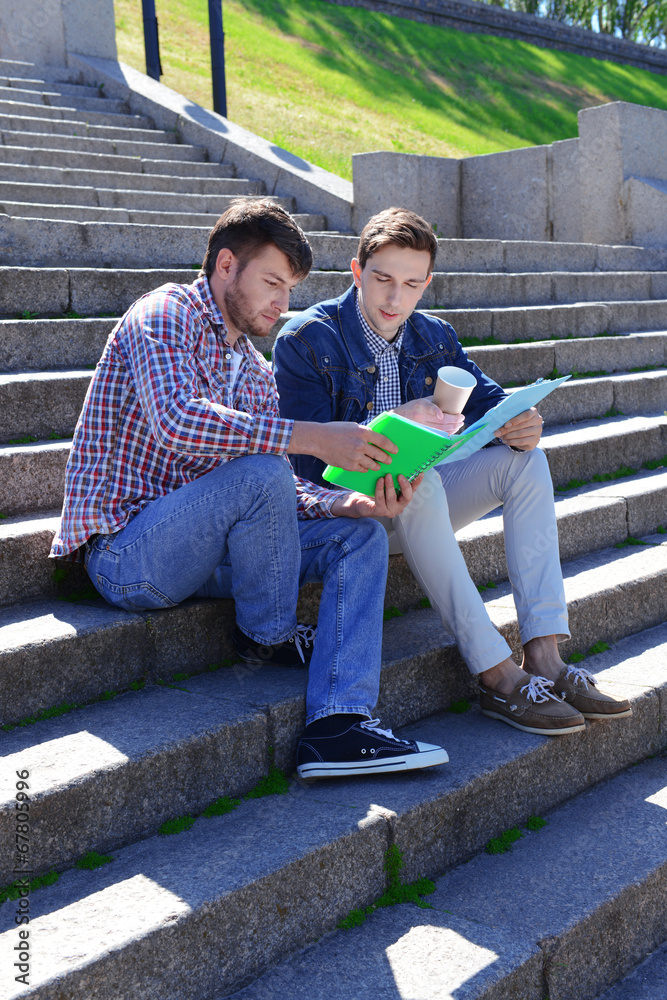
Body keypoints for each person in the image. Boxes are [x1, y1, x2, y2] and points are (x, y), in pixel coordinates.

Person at [49, 199, 448, 779]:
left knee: (356, 537)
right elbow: (178, 420)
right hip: (127, 553)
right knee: (261, 469)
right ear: (226, 265)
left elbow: (279, 487)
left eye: (290, 290)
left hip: (209, 546)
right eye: (272, 284)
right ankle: (270, 634)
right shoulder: (164, 314)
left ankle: (338, 725)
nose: (282, 305)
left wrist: (344, 502)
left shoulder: (253, 367)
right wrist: (313, 436)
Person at [273, 206, 631, 736]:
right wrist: (391, 424)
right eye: (383, 280)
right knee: (423, 481)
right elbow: (305, 465)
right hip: (348, 520)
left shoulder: (434, 337)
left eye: (412, 284)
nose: (396, 299)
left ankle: (546, 660)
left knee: (525, 461)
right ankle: (496, 674)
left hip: (420, 509)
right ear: (356, 270)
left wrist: (522, 422)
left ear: (428, 283)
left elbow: (492, 403)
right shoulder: (305, 341)